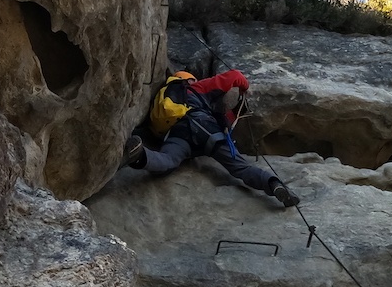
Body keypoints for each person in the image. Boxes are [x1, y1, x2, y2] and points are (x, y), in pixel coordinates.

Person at [122, 69, 300, 207]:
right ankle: (274, 185)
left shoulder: (162, 103)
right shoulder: (195, 87)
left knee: (168, 160)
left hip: (178, 134)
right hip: (204, 127)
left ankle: (140, 156)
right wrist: (245, 90)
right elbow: (235, 76)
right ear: (189, 80)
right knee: (240, 167)